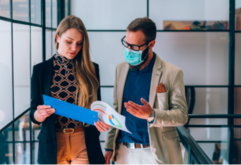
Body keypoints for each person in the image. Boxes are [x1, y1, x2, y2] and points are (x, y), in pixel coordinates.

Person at [104, 17, 188, 164]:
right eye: (127, 44)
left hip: (155, 153)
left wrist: (153, 115)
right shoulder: (121, 69)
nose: (129, 50)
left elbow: (181, 116)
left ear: (151, 44)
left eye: (135, 47)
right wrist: (108, 147)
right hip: (122, 153)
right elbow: (117, 110)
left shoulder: (172, 73)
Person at [30, 15, 110, 164]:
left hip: (83, 142)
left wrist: (101, 120)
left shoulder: (92, 69)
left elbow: (96, 109)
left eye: (79, 43)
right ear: (58, 37)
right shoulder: (40, 70)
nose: (74, 48)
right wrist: (38, 115)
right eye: (69, 42)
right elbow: (33, 112)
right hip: (53, 143)